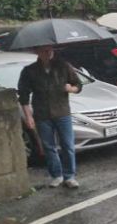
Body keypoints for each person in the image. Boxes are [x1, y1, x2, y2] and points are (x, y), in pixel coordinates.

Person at [18, 45, 83, 189]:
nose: (48, 53)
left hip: (62, 112)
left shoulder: (63, 67)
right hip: (42, 114)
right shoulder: (30, 71)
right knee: (49, 147)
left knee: (68, 145)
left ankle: (69, 176)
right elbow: (23, 96)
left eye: (50, 50)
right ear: (37, 52)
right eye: (44, 50)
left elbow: (78, 84)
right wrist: (29, 116)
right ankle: (56, 175)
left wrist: (71, 88)